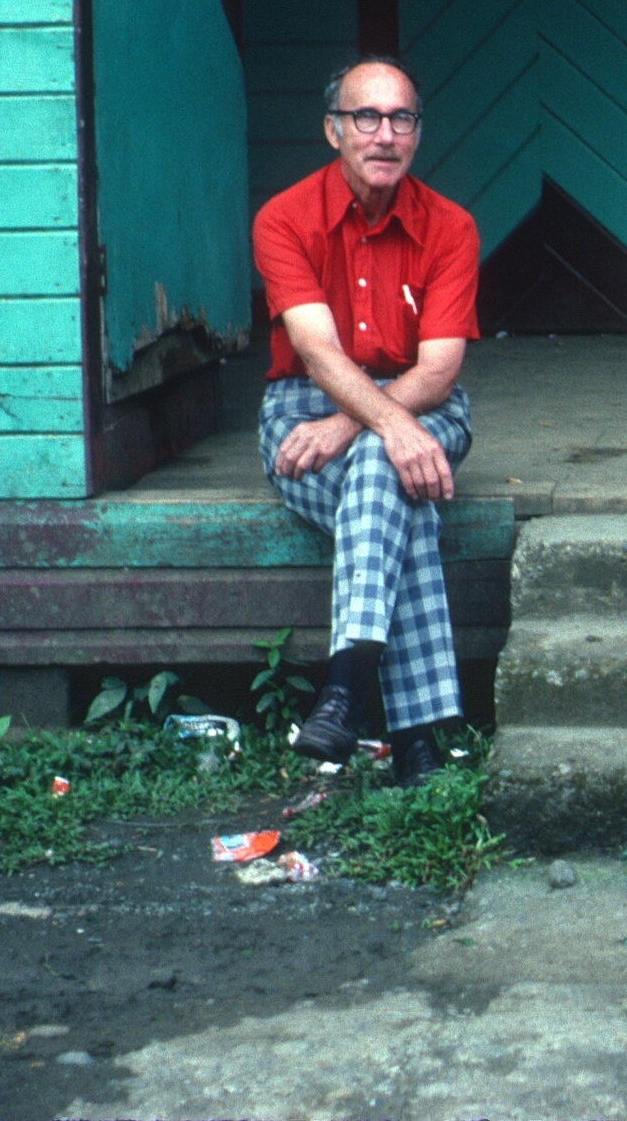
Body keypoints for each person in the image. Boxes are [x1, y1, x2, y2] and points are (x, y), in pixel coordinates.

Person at [252, 57, 480, 787]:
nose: (384, 134)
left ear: (417, 132)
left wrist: (364, 426)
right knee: (396, 482)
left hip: (422, 403)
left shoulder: (451, 225)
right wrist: (381, 425)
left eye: (401, 118)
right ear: (333, 129)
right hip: (303, 407)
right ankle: (416, 736)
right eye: (366, 117)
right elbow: (317, 354)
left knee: (384, 461)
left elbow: (440, 370)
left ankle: (345, 687)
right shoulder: (283, 218)